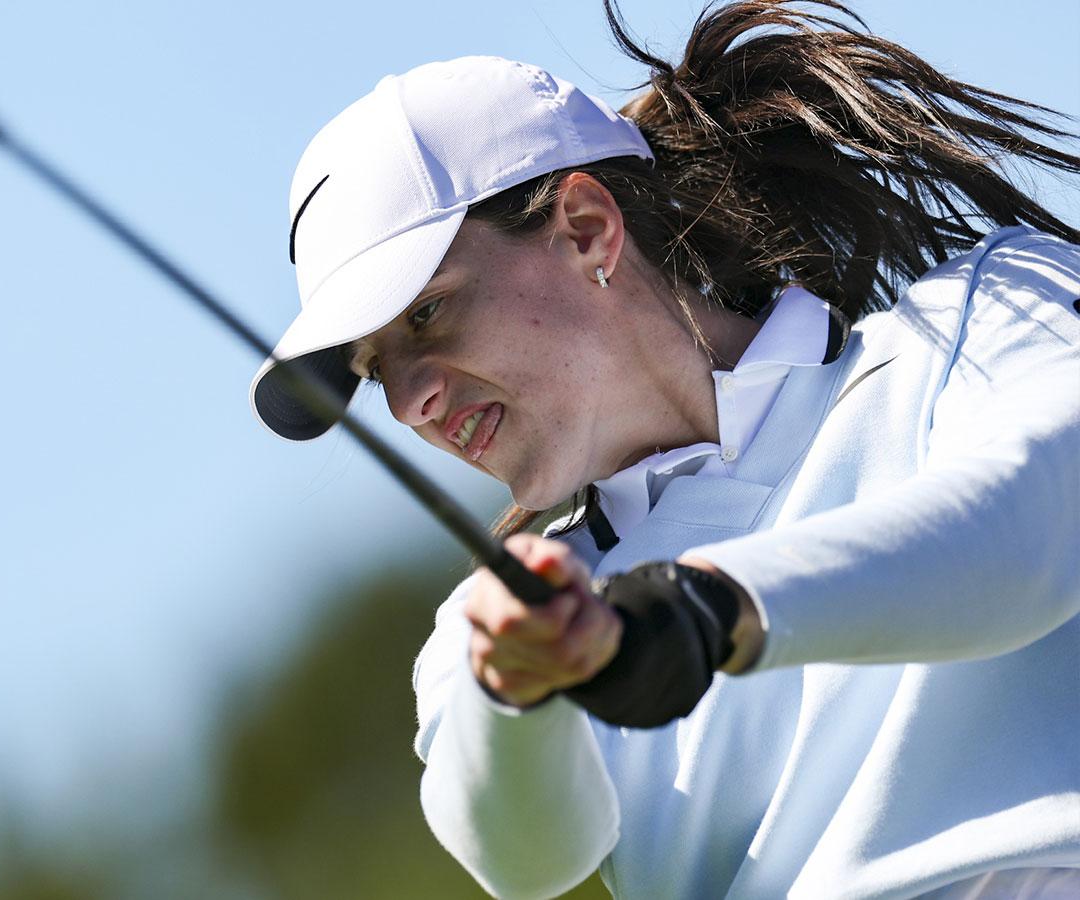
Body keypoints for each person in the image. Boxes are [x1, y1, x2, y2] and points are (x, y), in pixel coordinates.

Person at [248, 2, 1080, 897]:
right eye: (380, 371)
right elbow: (529, 864)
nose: (412, 402)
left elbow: (1036, 524)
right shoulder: (492, 629)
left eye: (428, 312)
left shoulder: (980, 317)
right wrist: (520, 690)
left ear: (586, 229)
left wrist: (705, 613)